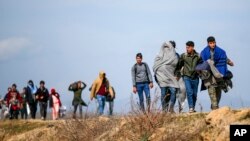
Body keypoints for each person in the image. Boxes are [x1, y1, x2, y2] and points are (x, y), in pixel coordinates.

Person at [199, 36, 234, 110]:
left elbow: (224, 58)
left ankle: (214, 106)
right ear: (208, 43)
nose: (213, 44)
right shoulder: (204, 52)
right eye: (211, 43)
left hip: (219, 73)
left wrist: (229, 62)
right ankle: (215, 107)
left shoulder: (220, 51)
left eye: (214, 42)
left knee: (218, 91)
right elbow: (201, 61)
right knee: (211, 90)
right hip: (209, 75)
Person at [153, 41, 179, 113]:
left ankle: (171, 108)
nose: (167, 48)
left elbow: (178, 67)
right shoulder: (160, 55)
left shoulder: (176, 56)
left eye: (170, 47)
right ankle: (164, 110)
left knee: (173, 92)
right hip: (162, 78)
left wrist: (177, 75)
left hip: (171, 78)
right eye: (166, 47)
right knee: (164, 94)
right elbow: (155, 66)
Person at [176, 41, 202, 113]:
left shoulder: (198, 56)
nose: (187, 49)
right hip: (186, 76)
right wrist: (177, 75)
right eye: (186, 47)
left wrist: (200, 71)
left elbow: (201, 65)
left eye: (188, 47)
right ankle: (190, 107)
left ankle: (193, 107)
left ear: (192, 47)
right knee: (189, 92)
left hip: (196, 77)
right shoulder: (183, 56)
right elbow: (179, 65)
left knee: (194, 94)